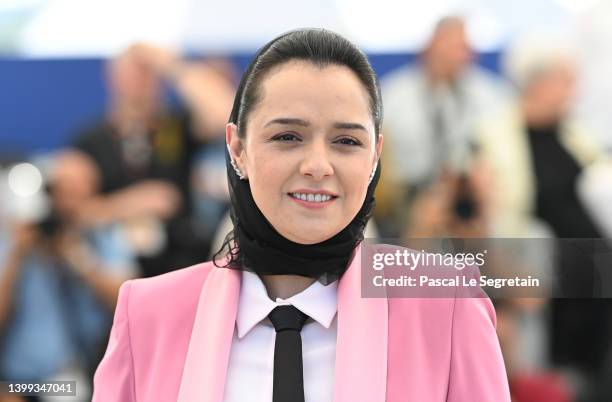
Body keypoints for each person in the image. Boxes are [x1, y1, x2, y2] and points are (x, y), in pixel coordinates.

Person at [92, 28, 510, 402]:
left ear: (374, 158)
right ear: (237, 148)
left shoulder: (446, 305)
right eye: (288, 136)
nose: (318, 165)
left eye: (346, 140)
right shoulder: (148, 314)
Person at [0, 151, 137, 401]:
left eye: (79, 192)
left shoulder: (100, 233)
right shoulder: (13, 237)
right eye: (61, 191)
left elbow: (128, 301)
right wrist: (17, 255)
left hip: (77, 375)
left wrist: (78, 257)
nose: (68, 202)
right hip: (18, 379)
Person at [376, 16, 509, 237]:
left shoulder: (491, 95)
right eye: (451, 46)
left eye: (463, 48)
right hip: (409, 195)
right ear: (429, 47)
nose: (458, 55)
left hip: (469, 189)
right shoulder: (393, 95)